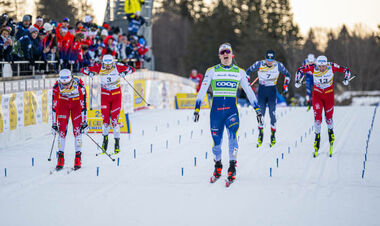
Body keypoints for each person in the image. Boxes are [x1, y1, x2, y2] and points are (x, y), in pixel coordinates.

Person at [193, 43, 263, 186]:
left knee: (232, 138)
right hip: (216, 113)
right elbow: (203, 89)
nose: (225, 54)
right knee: (216, 144)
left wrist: (258, 110)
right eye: (222, 52)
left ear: (232, 55)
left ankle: (232, 167)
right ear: (219, 55)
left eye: (228, 51)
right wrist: (197, 108)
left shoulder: (240, 72)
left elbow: (249, 92)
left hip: (231, 111)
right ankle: (218, 165)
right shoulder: (211, 71)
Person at [295, 55, 351, 157]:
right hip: (317, 95)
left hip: (329, 95)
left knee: (329, 118)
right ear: (317, 64)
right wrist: (297, 81)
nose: (321, 68)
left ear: (326, 64)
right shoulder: (312, 66)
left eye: (323, 66)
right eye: (319, 66)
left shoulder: (331, 66)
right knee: (317, 118)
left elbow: (346, 70)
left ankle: (330, 132)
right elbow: (299, 70)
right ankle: (317, 137)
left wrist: (346, 79)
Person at [81, 54, 135, 154]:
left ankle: (117, 143)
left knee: (114, 120)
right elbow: (83, 69)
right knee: (105, 121)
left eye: (109, 65)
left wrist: (125, 73)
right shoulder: (99, 67)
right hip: (105, 97)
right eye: (106, 65)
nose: (107, 67)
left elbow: (132, 69)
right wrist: (90, 74)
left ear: (112, 63)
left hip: (116, 96)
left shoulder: (117, 66)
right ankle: (105, 141)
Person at [246, 50, 291, 147]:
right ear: (265, 58)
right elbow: (248, 71)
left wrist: (285, 86)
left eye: (271, 60)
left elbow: (288, 74)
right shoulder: (259, 64)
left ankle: (273, 135)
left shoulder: (278, 65)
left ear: (273, 59)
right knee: (260, 114)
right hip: (262, 92)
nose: (269, 62)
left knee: (272, 114)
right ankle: (260, 134)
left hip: (272, 91)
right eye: (267, 60)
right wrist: (247, 82)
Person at [51, 69, 88, 170]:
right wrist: (54, 124)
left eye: (67, 84)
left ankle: (78, 157)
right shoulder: (56, 86)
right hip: (64, 105)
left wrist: (85, 121)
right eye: (63, 84)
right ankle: (60, 158)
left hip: (76, 105)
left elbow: (83, 103)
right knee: (61, 132)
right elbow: (54, 105)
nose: (66, 86)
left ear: (71, 79)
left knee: (77, 131)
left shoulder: (79, 84)